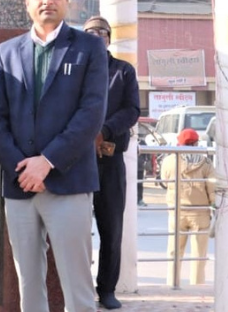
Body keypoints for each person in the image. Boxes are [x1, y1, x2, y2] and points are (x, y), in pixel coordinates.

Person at [0, 0, 107, 312]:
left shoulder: (89, 48)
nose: (47, 1)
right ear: (27, 2)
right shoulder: (6, 52)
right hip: (20, 185)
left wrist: (47, 162)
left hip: (69, 181)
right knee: (28, 286)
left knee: (78, 288)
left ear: (67, 1)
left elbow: (91, 114)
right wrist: (22, 168)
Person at [83, 16, 140, 311]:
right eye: (89, 32)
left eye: (101, 32)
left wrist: (104, 131)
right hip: (77, 161)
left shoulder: (123, 71)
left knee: (111, 228)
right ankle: (78, 288)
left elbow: (132, 109)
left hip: (110, 160)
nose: (96, 36)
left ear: (109, 38)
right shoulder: (73, 69)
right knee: (74, 229)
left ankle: (106, 289)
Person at [161, 127, 216, 285]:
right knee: (199, 255)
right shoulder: (206, 163)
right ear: (196, 143)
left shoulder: (170, 160)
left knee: (174, 252)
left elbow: (164, 182)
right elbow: (212, 189)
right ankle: (197, 286)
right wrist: (213, 206)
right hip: (200, 213)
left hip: (176, 212)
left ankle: (172, 284)